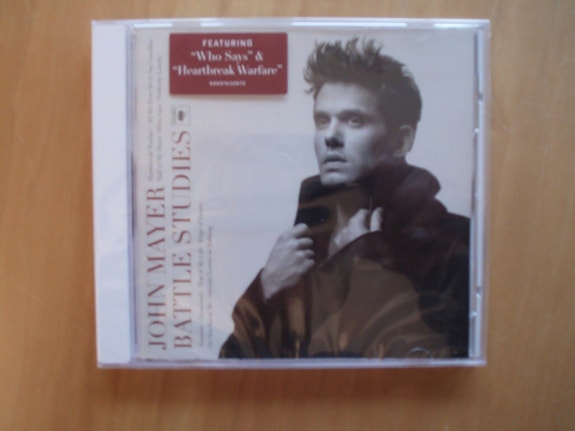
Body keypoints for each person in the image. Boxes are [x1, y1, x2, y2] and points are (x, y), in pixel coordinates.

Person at [219, 38, 470, 359]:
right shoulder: (299, 248)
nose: (330, 137)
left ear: (402, 140)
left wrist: (368, 272)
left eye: (354, 120)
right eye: (322, 120)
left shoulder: (457, 246)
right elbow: (233, 365)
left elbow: (423, 372)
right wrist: (265, 290)